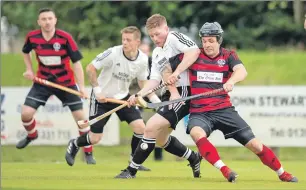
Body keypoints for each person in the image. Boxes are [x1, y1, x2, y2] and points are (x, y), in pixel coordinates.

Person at [168, 22, 298, 183]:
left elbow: (241, 71)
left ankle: (282, 173)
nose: (206, 44)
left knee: (255, 145)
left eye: (211, 41)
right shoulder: (194, 55)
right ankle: (224, 169)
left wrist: (231, 81)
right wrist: (172, 82)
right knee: (196, 133)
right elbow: (166, 65)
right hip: (200, 111)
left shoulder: (229, 56)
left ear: (219, 40)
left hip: (224, 110)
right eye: (204, 40)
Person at [115, 14, 202, 179]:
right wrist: (139, 94)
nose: (155, 38)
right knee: (161, 139)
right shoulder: (156, 53)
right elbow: (154, 80)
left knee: (150, 127)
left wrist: (176, 72)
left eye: (158, 34)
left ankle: (131, 170)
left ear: (166, 29)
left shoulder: (174, 38)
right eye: (152, 35)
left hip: (183, 93)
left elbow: (194, 51)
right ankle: (193, 157)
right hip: (168, 94)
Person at [65, 26, 156, 171]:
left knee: (140, 128)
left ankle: (134, 160)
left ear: (137, 42)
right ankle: (75, 143)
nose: (125, 43)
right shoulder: (113, 53)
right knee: (95, 138)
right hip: (102, 98)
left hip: (123, 98)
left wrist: (147, 98)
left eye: (128, 40)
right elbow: (90, 68)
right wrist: (97, 90)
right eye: (123, 39)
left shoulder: (143, 60)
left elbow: (142, 83)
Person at [18, 8, 95, 164]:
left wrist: (81, 88)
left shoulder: (65, 38)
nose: (47, 22)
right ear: (39, 22)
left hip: (66, 83)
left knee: (81, 119)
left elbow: (77, 64)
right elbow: (26, 51)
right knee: (26, 114)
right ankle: (32, 135)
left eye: (50, 18)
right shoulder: (32, 37)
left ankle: (88, 153)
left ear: (55, 20)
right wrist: (29, 70)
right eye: (44, 19)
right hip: (42, 82)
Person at [138, 42, 164, 161]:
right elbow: (141, 85)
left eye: (146, 51)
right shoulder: (136, 64)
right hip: (141, 100)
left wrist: (156, 100)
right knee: (141, 128)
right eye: (141, 51)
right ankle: (138, 155)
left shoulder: (154, 63)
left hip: (156, 100)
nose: (144, 54)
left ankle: (158, 157)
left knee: (159, 128)